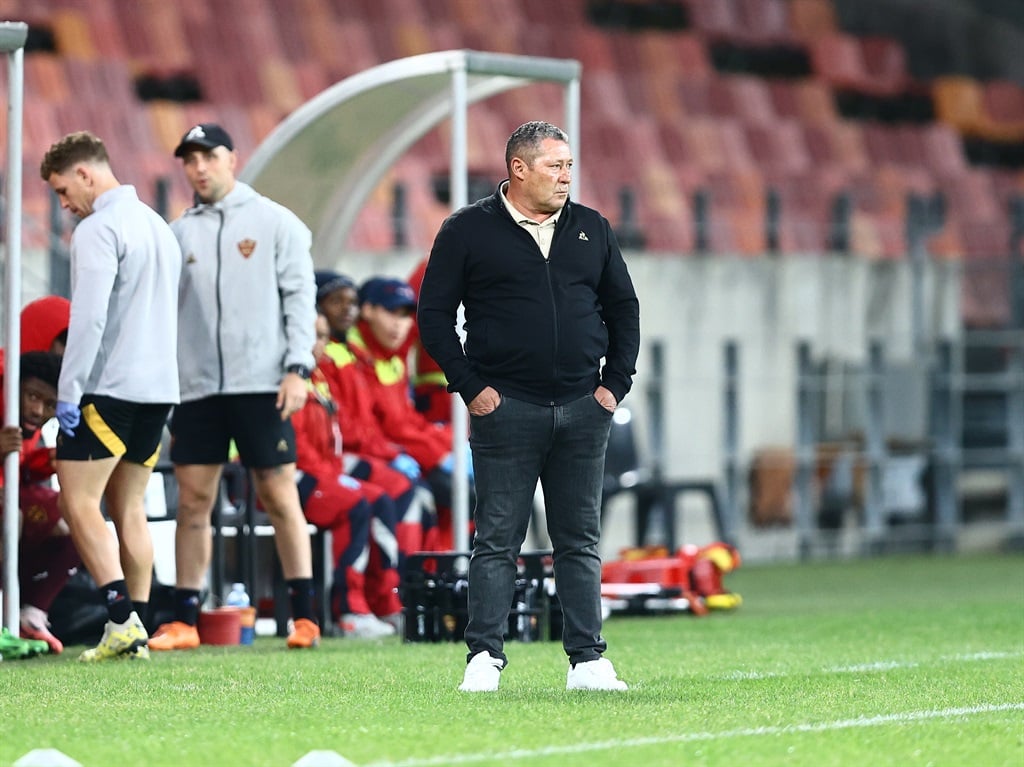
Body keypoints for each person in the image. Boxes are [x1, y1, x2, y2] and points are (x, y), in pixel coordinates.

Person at [418, 121, 641, 692]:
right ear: (519, 169)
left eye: (569, 167)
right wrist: (472, 389)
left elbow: (625, 309)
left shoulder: (592, 228)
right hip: (505, 406)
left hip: (582, 406)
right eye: (554, 167)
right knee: (497, 538)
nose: (566, 177)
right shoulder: (467, 230)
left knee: (579, 539)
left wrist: (613, 387)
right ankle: (484, 659)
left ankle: (588, 661)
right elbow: (435, 318)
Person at [149, 123, 320, 651]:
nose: (199, 168)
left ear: (232, 158)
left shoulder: (275, 222)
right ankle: (184, 620)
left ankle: (304, 619)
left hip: (262, 382)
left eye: (209, 156)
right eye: (190, 159)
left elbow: (300, 297)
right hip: (199, 387)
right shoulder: (178, 233)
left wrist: (298, 367)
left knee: (277, 492)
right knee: (194, 500)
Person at [40, 131, 181, 661]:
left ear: (84, 173)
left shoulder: (98, 229)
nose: (63, 204)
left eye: (60, 190)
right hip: (158, 392)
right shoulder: (158, 226)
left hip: (110, 389)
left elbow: (89, 317)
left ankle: (120, 619)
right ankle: (137, 629)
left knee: (75, 500)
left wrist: (69, 392)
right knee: (129, 510)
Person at [292, 314, 402, 638]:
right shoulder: (285, 379)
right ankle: (347, 611)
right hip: (289, 478)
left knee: (380, 498)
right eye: (313, 335)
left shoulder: (317, 378)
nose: (320, 344)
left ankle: (384, 603)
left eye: (323, 336)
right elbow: (296, 445)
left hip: (323, 472)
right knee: (354, 504)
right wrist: (332, 475)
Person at [315, 270, 436, 563]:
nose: (347, 310)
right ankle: (399, 587)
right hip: (335, 459)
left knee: (428, 496)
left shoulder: (353, 356)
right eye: (336, 302)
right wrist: (394, 453)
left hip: (358, 453)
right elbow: (346, 431)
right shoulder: (332, 358)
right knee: (401, 491)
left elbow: (374, 424)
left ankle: (422, 583)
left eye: (351, 302)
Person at [350, 276, 471, 550]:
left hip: (403, 451)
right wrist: (436, 452)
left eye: (405, 316)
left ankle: (444, 575)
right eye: (391, 313)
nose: (399, 324)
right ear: (367, 310)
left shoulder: (391, 357)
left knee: (472, 492)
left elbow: (406, 420)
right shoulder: (356, 359)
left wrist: (448, 443)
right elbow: (383, 428)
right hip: (377, 455)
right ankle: (421, 578)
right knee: (429, 495)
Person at [0, 351, 78, 654]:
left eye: (49, 405)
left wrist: (45, 462)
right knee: (11, 516)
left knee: (75, 513)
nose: (37, 409)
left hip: (13, 511)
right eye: (32, 396)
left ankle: (30, 616)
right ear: (13, 385)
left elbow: (18, 470)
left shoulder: (25, 427)